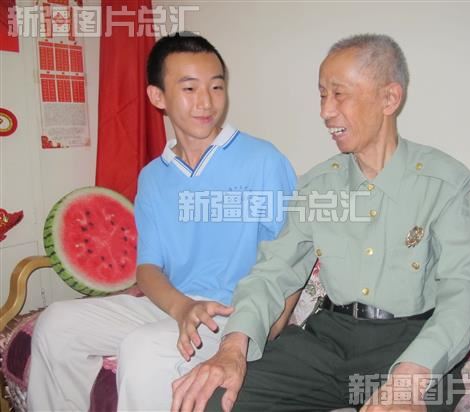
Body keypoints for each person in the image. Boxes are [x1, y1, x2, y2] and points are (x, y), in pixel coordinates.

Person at [172, 33, 470, 412]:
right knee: (216, 400)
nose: (325, 111)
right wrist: (232, 348)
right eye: (322, 95)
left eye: (339, 94)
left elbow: (466, 291)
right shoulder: (318, 187)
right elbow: (274, 272)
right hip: (327, 342)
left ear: (389, 98)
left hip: (412, 345)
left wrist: (411, 377)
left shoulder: (443, 182)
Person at [27, 32, 298, 411]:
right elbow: (149, 267)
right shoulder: (153, 176)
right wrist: (180, 307)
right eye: (189, 88)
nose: (206, 102)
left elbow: (293, 253)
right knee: (56, 323)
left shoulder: (262, 160)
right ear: (158, 97)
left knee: (142, 349)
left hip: (233, 314)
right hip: (175, 305)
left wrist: (271, 326)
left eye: (216, 86)